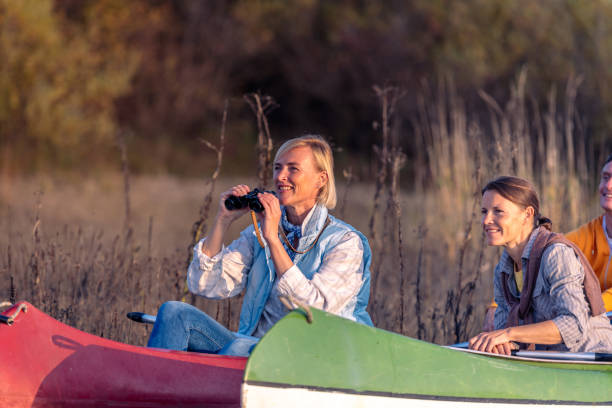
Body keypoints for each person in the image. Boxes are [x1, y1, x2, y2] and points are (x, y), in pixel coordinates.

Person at [147, 135, 372, 356]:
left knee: (238, 349)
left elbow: (315, 310)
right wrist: (223, 220)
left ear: (321, 179)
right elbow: (205, 285)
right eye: (277, 168)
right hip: (256, 347)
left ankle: (201, 387)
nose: (280, 177)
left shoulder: (345, 242)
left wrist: (273, 240)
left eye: (293, 169)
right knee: (174, 313)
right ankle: (154, 386)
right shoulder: (261, 232)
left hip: (316, 357)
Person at [469, 176, 612, 355]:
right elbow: (503, 334)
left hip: (593, 363)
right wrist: (500, 343)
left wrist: (507, 334)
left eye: (498, 211)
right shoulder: (502, 271)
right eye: (484, 211)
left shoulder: (556, 255)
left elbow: (573, 324)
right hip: (547, 366)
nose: (486, 220)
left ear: (527, 214)